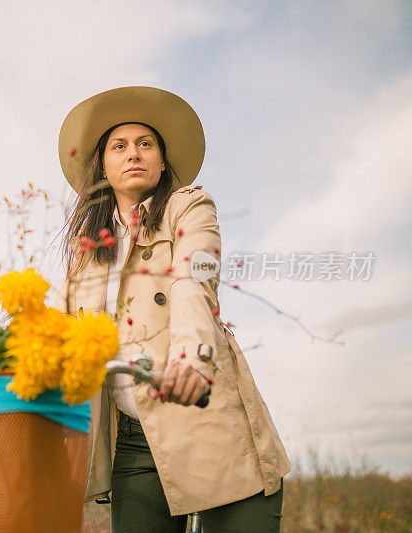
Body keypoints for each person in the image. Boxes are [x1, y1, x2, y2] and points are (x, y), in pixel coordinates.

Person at [54, 87, 291, 532]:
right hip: (135, 442)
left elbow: (193, 279)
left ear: (162, 161)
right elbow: (55, 329)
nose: (134, 154)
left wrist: (191, 355)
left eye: (146, 144)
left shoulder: (190, 208)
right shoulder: (85, 254)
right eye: (119, 146)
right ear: (102, 166)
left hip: (213, 423)